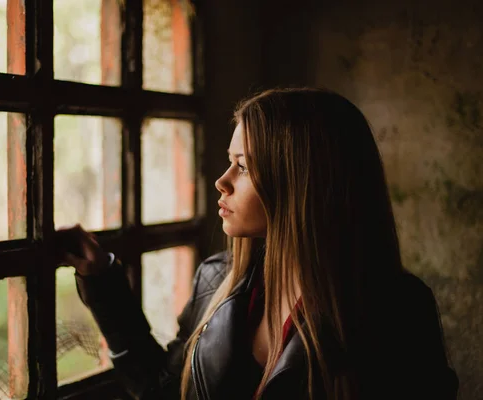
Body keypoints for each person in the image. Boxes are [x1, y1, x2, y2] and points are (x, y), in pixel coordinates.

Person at [55, 87, 459, 400]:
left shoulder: (397, 310)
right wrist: (104, 281)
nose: (222, 180)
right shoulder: (217, 280)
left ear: (302, 183)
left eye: (243, 166)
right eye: (230, 161)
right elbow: (164, 391)